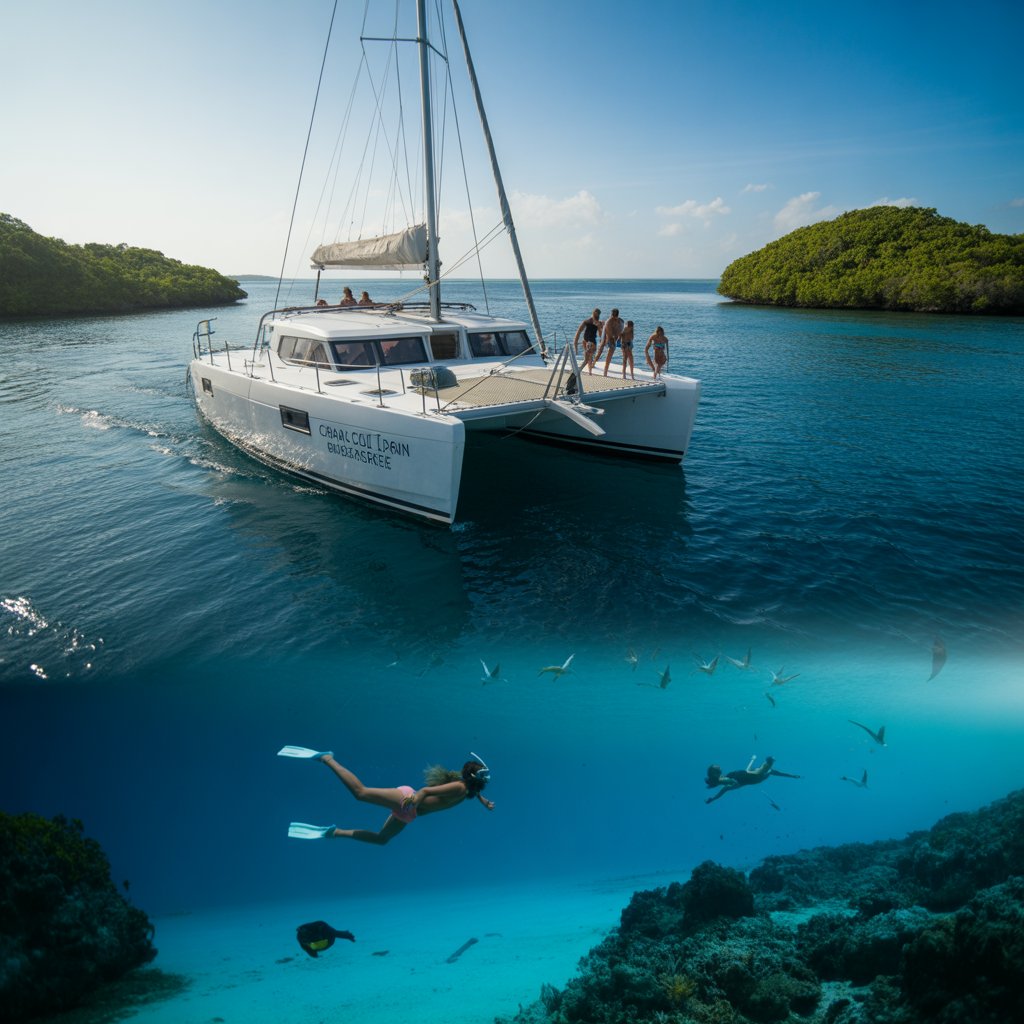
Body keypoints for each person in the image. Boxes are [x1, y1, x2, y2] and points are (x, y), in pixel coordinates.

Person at [298, 752, 494, 845]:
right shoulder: (459, 787)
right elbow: (425, 791)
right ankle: (328, 759)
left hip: (410, 812)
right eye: (483, 774)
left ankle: (333, 832)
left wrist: (483, 801)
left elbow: (474, 792)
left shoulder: (469, 790)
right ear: (473, 777)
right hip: (407, 799)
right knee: (361, 793)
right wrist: (414, 802)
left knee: (381, 839)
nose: (486, 778)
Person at [704, 756, 800, 804]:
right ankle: (769, 762)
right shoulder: (726, 781)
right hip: (751, 778)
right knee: (768, 771)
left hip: (749, 777)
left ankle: (769, 763)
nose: (719, 767)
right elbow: (725, 789)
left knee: (768, 771)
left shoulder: (757, 772)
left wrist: (752, 759)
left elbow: (747, 771)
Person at [573, 309, 602, 374]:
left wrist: (575, 345)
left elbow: (578, 332)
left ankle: (588, 372)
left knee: (588, 357)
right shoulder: (597, 323)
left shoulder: (587, 321)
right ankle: (580, 372)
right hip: (591, 342)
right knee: (588, 358)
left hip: (585, 341)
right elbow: (600, 335)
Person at [596, 308, 624, 377]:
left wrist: (618, 338)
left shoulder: (620, 321)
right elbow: (609, 334)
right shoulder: (609, 322)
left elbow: (621, 331)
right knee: (602, 349)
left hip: (615, 337)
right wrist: (609, 341)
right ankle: (603, 370)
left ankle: (606, 371)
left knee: (622, 350)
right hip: (608, 336)